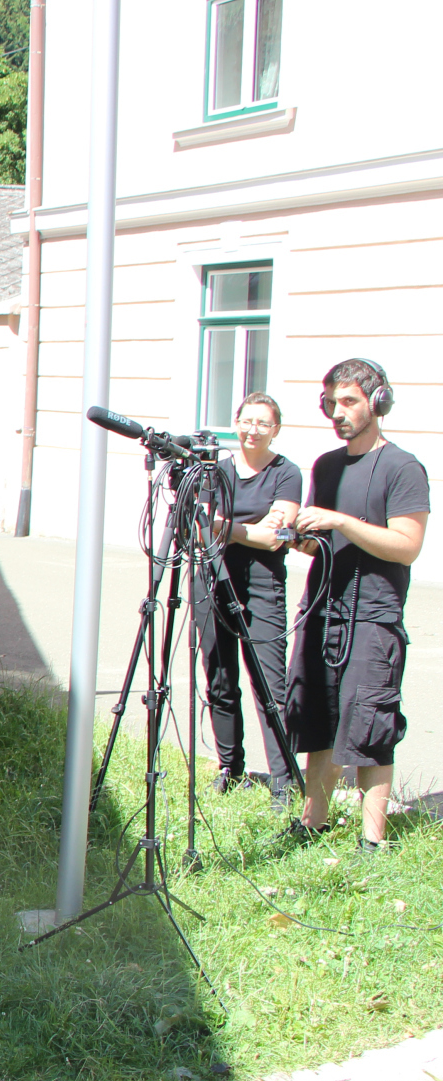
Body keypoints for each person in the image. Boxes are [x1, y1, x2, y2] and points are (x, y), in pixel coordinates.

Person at [287, 359, 429, 849]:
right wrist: (302, 538)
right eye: (330, 403)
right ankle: (313, 822)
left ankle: (373, 841)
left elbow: (407, 545)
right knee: (317, 717)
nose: (337, 413)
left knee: (369, 722)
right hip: (322, 609)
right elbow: (325, 541)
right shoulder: (326, 465)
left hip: (374, 615)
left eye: (348, 401)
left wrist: (341, 521)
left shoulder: (403, 467)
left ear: (378, 401)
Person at [193, 392, 302, 797]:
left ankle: (283, 779)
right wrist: (249, 530)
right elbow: (202, 527)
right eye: (247, 420)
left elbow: (276, 538)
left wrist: (227, 527)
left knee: (270, 682)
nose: (253, 429)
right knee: (219, 677)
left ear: (276, 429)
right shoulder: (211, 472)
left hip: (262, 584)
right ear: (235, 422)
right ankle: (230, 767)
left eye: (263, 423)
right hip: (211, 578)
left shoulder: (286, 474)